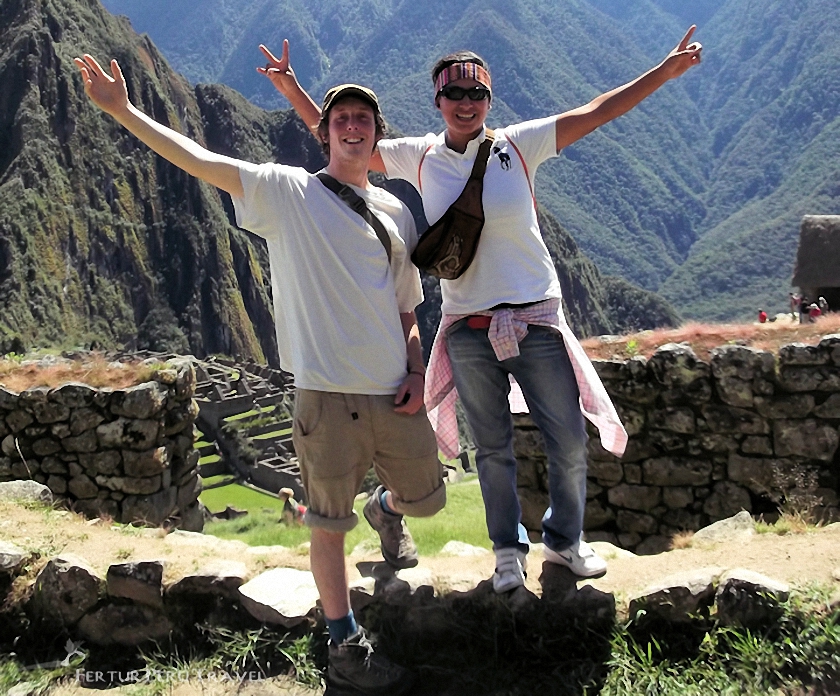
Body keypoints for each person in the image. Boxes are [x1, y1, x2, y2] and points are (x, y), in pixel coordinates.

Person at [263, 26, 701, 593]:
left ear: (489, 102)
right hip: (468, 328)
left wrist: (662, 74)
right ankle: (507, 551)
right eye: (454, 95)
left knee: (566, 436)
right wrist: (293, 89)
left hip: (536, 318)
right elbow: (345, 143)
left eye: (476, 95)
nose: (465, 104)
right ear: (438, 102)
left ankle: (565, 540)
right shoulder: (417, 155)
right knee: (492, 447)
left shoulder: (519, 145)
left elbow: (596, 111)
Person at [74, 54, 445, 694]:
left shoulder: (397, 212)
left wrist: (416, 366)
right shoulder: (288, 193)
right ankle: (344, 644)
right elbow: (201, 161)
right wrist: (124, 111)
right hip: (324, 396)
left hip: (393, 388)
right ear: (323, 132)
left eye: (364, 119)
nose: (352, 128)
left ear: (376, 134)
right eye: (341, 119)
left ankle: (387, 509)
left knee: (428, 499)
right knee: (328, 526)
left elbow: (406, 302)